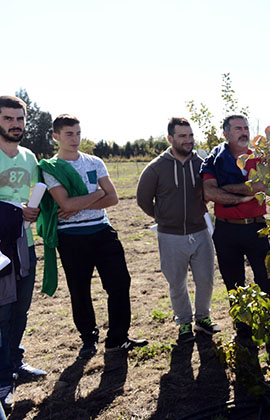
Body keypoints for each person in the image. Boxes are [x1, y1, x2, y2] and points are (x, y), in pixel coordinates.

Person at [38, 114, 147, 359]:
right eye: (68, 134)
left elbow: (114, 198)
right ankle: (88, 338)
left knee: (119, 283)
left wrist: (77, 205)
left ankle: (118, 339)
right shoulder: (50, 168)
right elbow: (64, 202)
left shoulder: (95, 162)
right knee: (79, 289)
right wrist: (97, 194)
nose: (75, 138)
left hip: (102, 231)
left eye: (77, 133)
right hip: (71, 237)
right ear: (56, 136)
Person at [136, 117, 219, 343]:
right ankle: (183, 323)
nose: (188, 140)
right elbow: (143, 200)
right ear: (170, 138)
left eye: (190, 135)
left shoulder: (201, 165)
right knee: (177, 282)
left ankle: (203, 319)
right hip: (170, 236)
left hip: (200, 232)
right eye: (182, 136)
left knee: (206, 279)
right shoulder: (155, 168)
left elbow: (210, 191)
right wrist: (163, 218)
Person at [200, 115, 270, 311]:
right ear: (226, 134)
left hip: (256, 228)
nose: (244, 132)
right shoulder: (215, 161)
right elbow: (209, 192)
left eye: (245, 128)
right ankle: (243, 333)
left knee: (266, 279)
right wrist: (242, 196)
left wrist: (225, 188)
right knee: (234, 285)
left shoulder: (260, 160)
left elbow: (262, 186)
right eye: (238, 129)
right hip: (227, 229)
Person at [0, 95, 47, 414]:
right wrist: (18, 213)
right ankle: (2, 378)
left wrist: (35, 208)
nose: (15, 124)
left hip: (24, 244)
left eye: (19, 119)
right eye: (8, 119)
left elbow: (34, 196)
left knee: (21, 309)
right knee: (1, 314)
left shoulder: (30, 157)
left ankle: (15, 363)